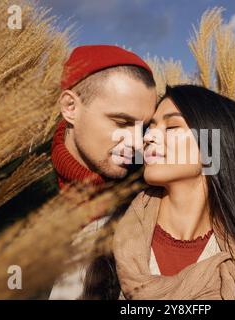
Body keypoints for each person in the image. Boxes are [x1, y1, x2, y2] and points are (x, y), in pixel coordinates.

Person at [83, 85, 235, 299]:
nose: (148, 137)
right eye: (151, 127)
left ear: (214, 147)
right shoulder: (99, 237)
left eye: (171, 128)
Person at [48, 45, 157, 299]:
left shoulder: (149, 195)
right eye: (121, 122)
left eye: (142, 128)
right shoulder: (9, 193)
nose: (135, 142)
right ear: (70, 107)